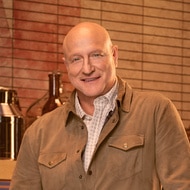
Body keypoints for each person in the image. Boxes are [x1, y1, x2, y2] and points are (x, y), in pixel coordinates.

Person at [10, 22, 190, 190]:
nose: (87, 68)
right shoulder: (38, 133)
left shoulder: (156, 111)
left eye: (96, 55)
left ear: (114, 55)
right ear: (66, 64)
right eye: (76, 59)